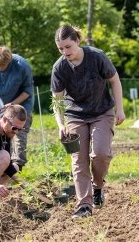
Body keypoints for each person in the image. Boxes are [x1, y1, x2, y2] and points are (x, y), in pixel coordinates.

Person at [51, 24, 125, 219]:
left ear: (77, 41)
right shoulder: (59, 68)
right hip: (75, 116)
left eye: (68, 46)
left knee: (100, 153)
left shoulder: (96, 57)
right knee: (78, 160)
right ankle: (84, 205)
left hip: (102, 111)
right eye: (60, 48)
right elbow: (56, 101)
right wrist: (61, 124)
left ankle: (98, 185)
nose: (65, 52)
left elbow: (115, 81)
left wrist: (120, 109)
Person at [0, 46, 34, 172]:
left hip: (23, 105)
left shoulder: (22, 66)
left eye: (3, 65)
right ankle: (3, 165)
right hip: (4, 106)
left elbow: (27, 91)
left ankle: (17, 166)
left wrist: (13, 103)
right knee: (2, 134)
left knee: (18, 133)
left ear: (9, 61)